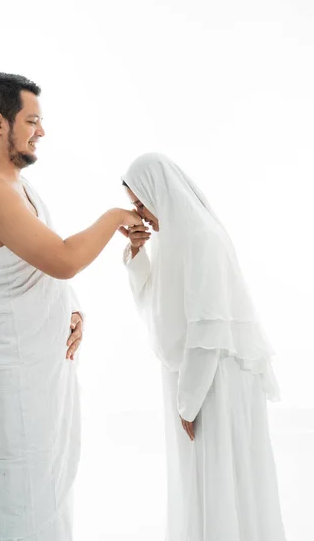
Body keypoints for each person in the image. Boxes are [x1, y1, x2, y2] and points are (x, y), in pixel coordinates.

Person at [0, 72, 142, 541]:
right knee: (23, 501)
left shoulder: (15, 186)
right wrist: (116, 216)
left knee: (50, 491)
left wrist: (72, 310)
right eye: (33, 120)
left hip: (41, 369)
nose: (41, 131)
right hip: (16, 375)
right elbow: (62, 259)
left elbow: (32, 265)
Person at [121, 153, 287, 541]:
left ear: (159, 193)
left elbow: (208, 328)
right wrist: (136, 252)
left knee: (218, 474)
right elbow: (155, 306)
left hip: (217, 378)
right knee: (199, 477)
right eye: (135, 207)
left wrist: (188, 401)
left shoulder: (201, 238)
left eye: (141, 203)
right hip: (194, 378)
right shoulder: (172, 240)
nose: (141, 215)